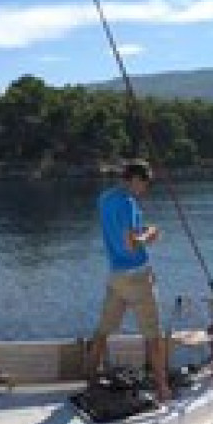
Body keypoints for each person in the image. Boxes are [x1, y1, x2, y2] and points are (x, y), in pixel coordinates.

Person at [88, 159, 172, 401]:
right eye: (146, 183)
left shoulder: (105, 198)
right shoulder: (128, 203)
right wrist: (151, 235)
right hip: (136, 275)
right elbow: (132, 243)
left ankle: (90, 380)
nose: (146, 188)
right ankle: (163, 389)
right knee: (153, 336)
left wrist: (141, 230)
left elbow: (120, 231)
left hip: (115, 276)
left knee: (102, 332)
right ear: (135, 179)